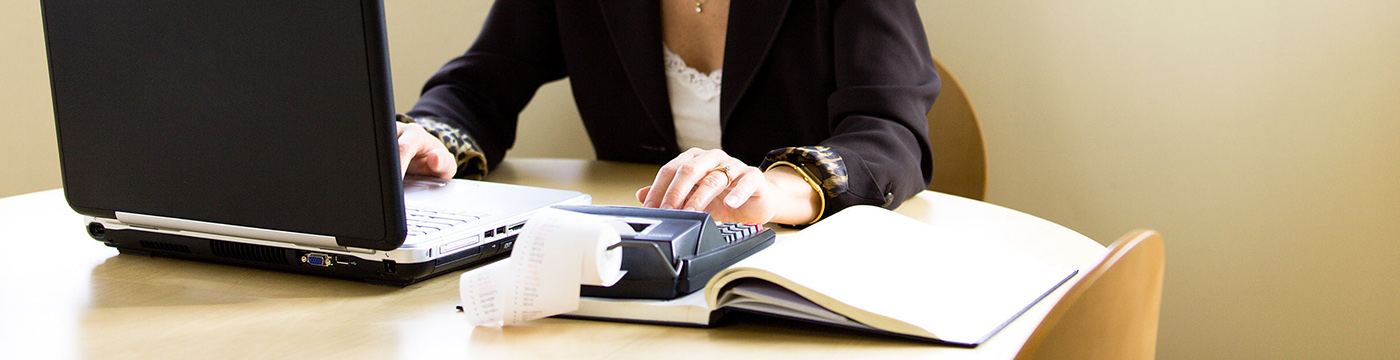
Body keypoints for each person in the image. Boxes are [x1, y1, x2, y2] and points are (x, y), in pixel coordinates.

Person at [395, 0, 940, 227]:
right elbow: (479, 87)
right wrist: (428, 138)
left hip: (805, 263)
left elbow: (891, 131)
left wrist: (777, 190)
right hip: (631, 260)